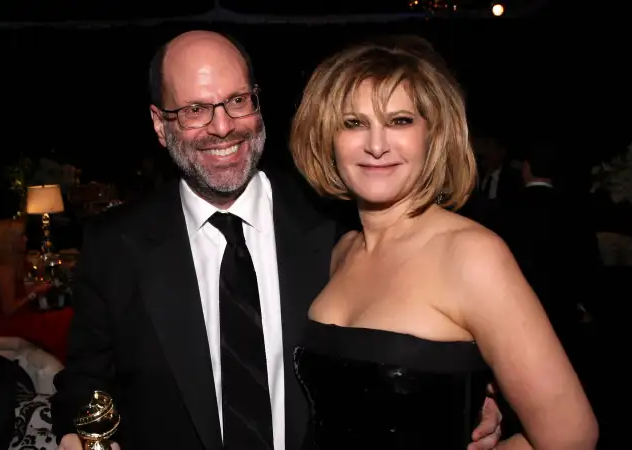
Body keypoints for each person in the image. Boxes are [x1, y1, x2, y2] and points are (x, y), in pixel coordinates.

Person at [52, 30, 503, 450]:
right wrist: (79, 432)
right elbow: (85, 379)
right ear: (159, 123)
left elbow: (416, 340)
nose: (223, 126)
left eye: (237, 101)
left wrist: (459, 400)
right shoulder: (116, 245)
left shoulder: (341, 225)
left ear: (258, 102)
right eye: (194, 109)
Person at [289, 36, 598, 448]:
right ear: (327, 138)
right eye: (353, 123)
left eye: (400, 121)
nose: (376, 145)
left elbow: (571, 437)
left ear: (433, 135)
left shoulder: (471, 255)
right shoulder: (342, 250)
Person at [0, 218, 73, 363]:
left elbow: (25, 289)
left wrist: (38, 280)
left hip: (20, 315)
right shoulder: (4, 270)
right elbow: (9, 309)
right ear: (10, 240)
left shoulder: (17, 262)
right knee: (65, 319)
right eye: (21, 236)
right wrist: (35, 292)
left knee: (66, 315)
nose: (26, 239)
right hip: (4, 321)